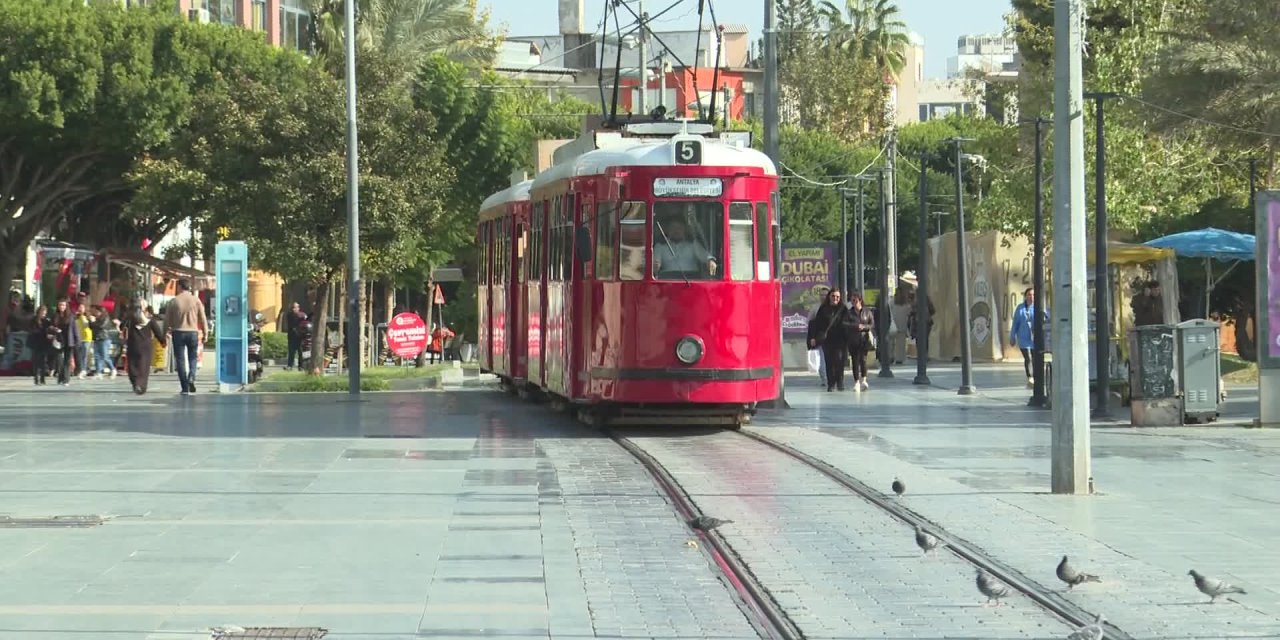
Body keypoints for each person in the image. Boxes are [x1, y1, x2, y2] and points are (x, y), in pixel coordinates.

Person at [164, 279, 209, 394]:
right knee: (193, 357)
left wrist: (163, 333)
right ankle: (192, 376)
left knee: (180, 360)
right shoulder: (196, 300)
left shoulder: (174, 301)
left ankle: (184, 387)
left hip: (178, 332)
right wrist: (205, 332)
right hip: (193, 332)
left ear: (179, 287)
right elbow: (203, 318)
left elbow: (166, 320)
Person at [807, 289, 853, 392]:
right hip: (827, 339)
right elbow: (817, 324)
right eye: (833, 296)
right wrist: (814, 337)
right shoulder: (823, 309)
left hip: (840, 339)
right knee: (829, 362)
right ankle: (831, 384)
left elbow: (848, 322)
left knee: (839, 361)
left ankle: (840, 382)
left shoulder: (843, 308)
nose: (835, 299)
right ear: (829, 297)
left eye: (837, 297)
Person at [123, 304, 166, 395]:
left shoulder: (129, 320)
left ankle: (135, 383)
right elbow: (158, 332)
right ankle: (141, 385)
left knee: (132, 366)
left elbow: (121, 327)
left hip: (132, 345)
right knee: (144, 367)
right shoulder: (150, 321)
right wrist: (163, 342)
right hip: (145, 347)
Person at [1009, 287, 1048, 387]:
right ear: (1025, 297)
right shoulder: (1020, 308)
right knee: (1028, 357)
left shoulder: (1039, 307)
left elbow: (1046, 319)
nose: (1031, 297)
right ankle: (1030, 377)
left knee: (1036, 358)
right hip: (1023, 338)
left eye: (1033, 295)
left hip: (1035, 338)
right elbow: (1015, 324)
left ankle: (1037, 377)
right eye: (1029, 295)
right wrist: (1012, 336)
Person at [848, 293, 876, 391]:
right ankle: (856, 382)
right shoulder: (849, 313)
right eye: (852, 301)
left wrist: (864, 327)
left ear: (860, 300)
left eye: (855, 300)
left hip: (864, 339)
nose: (853, 303)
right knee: (855, 361)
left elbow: (872, 324)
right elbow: (845, 324)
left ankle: (864, 380)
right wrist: (855, 326)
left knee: (863, 360)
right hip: (853, 339)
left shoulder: (867, 312)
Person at [27, 306, 52, 385]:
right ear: (39, 312)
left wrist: (50, 332)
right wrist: (44, 333)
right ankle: (36, 377)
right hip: (36, 343)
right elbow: (32, 330)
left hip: (44, 343)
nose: (44, 314)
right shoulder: (33, 320)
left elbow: (49, 330)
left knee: (43, 361)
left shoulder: (46, 321)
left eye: (45, 313)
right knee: (36, 361)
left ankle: (42, 378)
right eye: (43, 313)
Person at [889, 287, 912, 365]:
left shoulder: (892, 301)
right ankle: (899, 358)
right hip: (902, 324)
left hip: (894, 324)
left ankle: (891, 356)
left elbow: (890, 311)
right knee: (900, 343)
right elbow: (909, 313)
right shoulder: (906, 303)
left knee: (891, 342)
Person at [285, 302, 307, 370]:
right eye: (293, 307)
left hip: (300, 336)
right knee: (291, 351)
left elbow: (305, 321)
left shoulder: (302, 315)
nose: (295, 309)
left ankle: (301, 366)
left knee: (300, 351)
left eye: (296, 307)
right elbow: (291, 324)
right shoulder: (290, 315)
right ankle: (290, 366)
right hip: (292, 336)